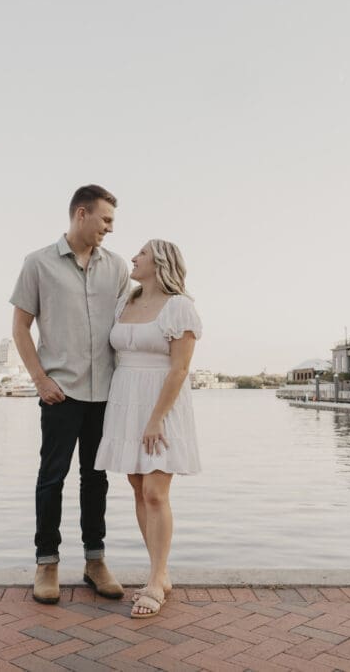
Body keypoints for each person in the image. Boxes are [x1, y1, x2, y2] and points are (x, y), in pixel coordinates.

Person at [10, 184, 130, 604]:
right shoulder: (38, 263)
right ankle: (47, 562)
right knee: (52, 477)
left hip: (104, 394)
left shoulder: (117, 268)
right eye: (106, 219)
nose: (110, 228)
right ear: (82, 213)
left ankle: (95, 561)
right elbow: (20, 328)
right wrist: (40, 380)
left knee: (96, 480)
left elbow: (128, 326)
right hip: (60, 393)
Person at [94, 239, 202, 619]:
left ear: (160, 262)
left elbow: (180, 368)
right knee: (138, 488)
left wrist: (156, 418)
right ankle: (161, 572)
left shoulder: (179, 307)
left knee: (156, 492)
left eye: (141, 253)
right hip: (125, 401)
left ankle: (156, 580)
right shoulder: (125, 303)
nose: (133, 258)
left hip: (161, 405)